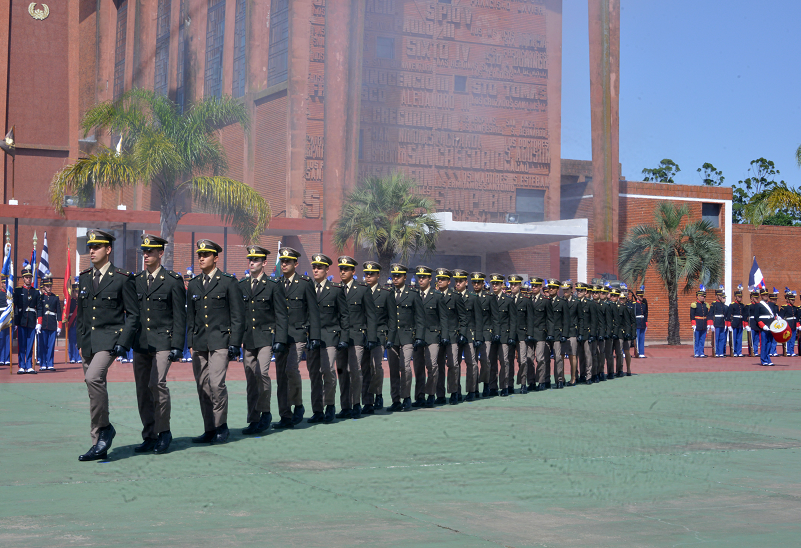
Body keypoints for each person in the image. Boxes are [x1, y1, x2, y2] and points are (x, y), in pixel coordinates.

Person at [76, 229, 139, 461]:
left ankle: (104, 430)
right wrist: (79, 341)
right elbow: (81, 313)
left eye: (97, 247)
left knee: (93, 378)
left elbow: (133, 314)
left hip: (110, 340)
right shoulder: (84, 277)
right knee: (93, 391)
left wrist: (123, 342)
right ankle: (97, 442)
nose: (91, 251)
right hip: (88, 342)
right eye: (90, 247)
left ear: (108, 249)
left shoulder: (122, 278)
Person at [131, 235, 186, 454]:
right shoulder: (135, 280)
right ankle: (149, 435)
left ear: (160, 254)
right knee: (142, 390)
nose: (146, 255)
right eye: (144, 251)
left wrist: (177, 346)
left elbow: (180, 316)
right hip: (141, 343)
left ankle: (164, 432)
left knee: (158, 385)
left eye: (150, 251)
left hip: (163, 341)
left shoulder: (172, 280)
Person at [186, 239, 244, 444]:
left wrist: (235, 343)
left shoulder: (228, 282)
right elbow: (190, 317)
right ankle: (209, 428)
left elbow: (237, 315)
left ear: (216, 258)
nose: (201, 258)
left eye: (206, 255)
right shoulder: (193, 284)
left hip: (221, 341)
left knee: (216, 384)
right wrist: (190, 342)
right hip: (200, 343)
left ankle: (221, 426)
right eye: (199, 255)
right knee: (202, 386)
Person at [239, 246, 287, 434]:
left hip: (267, 337)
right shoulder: (242, 285)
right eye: (250, 259)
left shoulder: (273, 286)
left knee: (262, 373)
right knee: (251, 378)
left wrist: (280, 339)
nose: (252, 262)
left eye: (256, 260)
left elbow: (281, 315)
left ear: (265, 263)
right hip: (248, 338)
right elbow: (238, 314)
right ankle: (253, 418)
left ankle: (265, 411)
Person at [275, 247, 321, 428]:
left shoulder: (304, 283)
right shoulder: (276, 283)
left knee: (291, 370)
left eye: (288, 261)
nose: (284, 264)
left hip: (298, 334)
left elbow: (313, 311)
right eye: (282, 261)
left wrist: (314, 335)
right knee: (280, 375)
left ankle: (298, 405)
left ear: (296, 263)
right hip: (280, 335)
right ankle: (285, 415)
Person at [307, 253, 349, 421]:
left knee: (329, 370)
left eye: (319, 267)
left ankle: (330, 405)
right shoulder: (307, 288)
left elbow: (344, 316)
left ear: (326, 269)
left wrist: (344, 337)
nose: (316, 270)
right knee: (314, 374)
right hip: (312, 337)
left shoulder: (336, 290)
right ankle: (317, 410)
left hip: (330, 336)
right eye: (314, 267)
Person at [336, 255, 377, 418]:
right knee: (341, 372)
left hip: (357, 337)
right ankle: (345, 406)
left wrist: (371, 338)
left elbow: (371, 315)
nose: (343, 271)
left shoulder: (362, 289)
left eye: (346, 269)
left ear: (353, 271)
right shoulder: (335, 289)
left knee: (355, 371)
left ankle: (356, 404)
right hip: (339, 338)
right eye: (341, 269)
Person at [361, 261, 396, 412]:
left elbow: (392, 318)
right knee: (364, 368)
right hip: (362, 336)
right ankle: (367, 401)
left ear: (378, 275)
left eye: (372, 274)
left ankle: (378, 394)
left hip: (379, 335)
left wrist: (390, 337)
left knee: (376, 367)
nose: (368, 277)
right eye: (366, 274)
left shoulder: (386, 293)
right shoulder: (360, 291)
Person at [434, 268, 467, 404]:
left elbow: (463, 318)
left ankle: (454, 392)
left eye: (442, 279)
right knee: (437, 365)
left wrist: (462, 334)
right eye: (438, 279)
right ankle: (440, 394)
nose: (440, 281)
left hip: (453, 335)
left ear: (449, 281)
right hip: (436, 336)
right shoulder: (433, 296)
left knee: (453, 365)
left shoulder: (455, 296)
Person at [412, 265, 443, 408]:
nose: (421, 280)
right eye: (419, 277)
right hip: (417, 336)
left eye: (424, 277)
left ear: (430, 279)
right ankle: (419, 396)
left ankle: (431, 394)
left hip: (432, 335)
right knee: (418, 367)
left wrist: (444, 335)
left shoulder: (437, 296)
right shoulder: (413, 295)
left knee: (432, 366)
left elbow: (443, 318)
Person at [453, 269, 483, 401]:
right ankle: (456, 391)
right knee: (455, 364)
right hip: (455, 334)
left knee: (472, 363)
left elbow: (478, 319)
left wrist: (478, 337)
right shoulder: (452, 296)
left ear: (466, 282)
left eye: (461, 281)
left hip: (470, 334)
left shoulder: (473, 298)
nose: (458, 284)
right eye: (456, 281)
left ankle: (472, 390)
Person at [487, 274, 516, 397]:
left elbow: (513, 320)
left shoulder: (508, 300)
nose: (494, 286)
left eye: (497, 284)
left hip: (504, 335)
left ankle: (504, 386)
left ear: (502, 285)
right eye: (493, 284)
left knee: (504, 361)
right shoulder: (488, 299)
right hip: (492, 335)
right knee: (491, 361)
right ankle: (493, 386)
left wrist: (511, 336)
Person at [471, 272, 496, 397]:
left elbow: (495, 317)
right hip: (471, 332)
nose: (476, 285)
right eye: (474, 282)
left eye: (478, 282)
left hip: (486, 332)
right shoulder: (468, 297)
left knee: (485, 361)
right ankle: (474, 388)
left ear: (482, 283)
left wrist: (495, 332)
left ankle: (486, 384)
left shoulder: (489, 297)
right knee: (472, 362)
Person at [508, 275, 534, 394]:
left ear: (519, 285)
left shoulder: (526, 299)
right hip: (509, 335)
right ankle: (509, 384)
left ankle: (523, 383)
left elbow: (530, 318)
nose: (512, 286)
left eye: (515, 284)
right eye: (511, 284)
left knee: (523, 360)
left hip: (522, 334)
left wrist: (529, 333)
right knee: (508, 361)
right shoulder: (506, 299)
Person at [14, 262, 38, 374]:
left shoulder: (35, 292)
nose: (28, 279)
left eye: (30, 277)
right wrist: (14, 321)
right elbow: (15, 306)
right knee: (22, 344)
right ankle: (21, 365)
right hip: (21, 320)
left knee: (30, 344)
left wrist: (39, 322)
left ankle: (29, 365)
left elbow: (40, 307)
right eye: (26, 277)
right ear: (23, 278)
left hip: (32, 320)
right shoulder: (18, 291)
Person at [35, 272, 62, 371]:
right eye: (47, 286)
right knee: (42, 344)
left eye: (50, 286)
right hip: (43, 324)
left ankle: (50, 363)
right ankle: (42, 363)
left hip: (52, 324)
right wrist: (39, 323)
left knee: (51, 345)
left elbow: (59, 312)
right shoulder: (41, 297)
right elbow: (39, 311)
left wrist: (59, 325)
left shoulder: (55, 297)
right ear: (44, 287)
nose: (49, 288)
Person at [546, 279, 568, 389]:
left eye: (553, 287)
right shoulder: (544, 300)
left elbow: (566, 320)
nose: (551, 289)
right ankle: (545, 380)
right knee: (544, 358)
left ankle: (559, 380)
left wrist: (564, 334)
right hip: (545, 334)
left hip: (557, 333)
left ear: (557, 289)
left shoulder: (562, 302)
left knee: (558, 358)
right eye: (549, 287)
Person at [576, 283, 597, 384]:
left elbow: (594, 320)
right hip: (576, 333)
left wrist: (592, 334)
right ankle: (582, 374)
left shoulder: (590, 303)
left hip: (586, 333)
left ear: (585, 292)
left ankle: (589, 376)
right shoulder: (575, 302)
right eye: (578, 290)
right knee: (580, 356)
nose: (579, 292)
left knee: (588, 355)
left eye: (581, 290)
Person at [755, 287, 778, 366]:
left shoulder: (771, 304)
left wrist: (777, 318)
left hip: (771, 326)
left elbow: (774, 314)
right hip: (764, 327)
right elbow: (756, 317)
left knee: (769, 343)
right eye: (764, 295)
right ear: (761, 296)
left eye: (766, 295)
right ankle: (763, 360)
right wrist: (763, 326)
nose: (765, 296)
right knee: (764, 343)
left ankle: (768, 359)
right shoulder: (758, 305)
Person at [690, 285, 710, 358]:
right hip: (697, 323)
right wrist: (693, 324)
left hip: (704, 324)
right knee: (697, 339)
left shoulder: (706, 305)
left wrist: (708, 324)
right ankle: (696, 352)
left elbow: (707, 315)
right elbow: (692, 316)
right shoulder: (694, 305)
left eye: (704, 296)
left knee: (702, 339)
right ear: (697, 296)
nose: (703, 297)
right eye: (702, 296)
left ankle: (701, 352)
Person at [709, 285, 728, 357]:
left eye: (721, 296)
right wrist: (710, 324)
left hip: (722, 322)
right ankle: (716, 352)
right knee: (716, 338)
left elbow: (725, 315)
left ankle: (721, 352)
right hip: (716, 322)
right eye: (719, 296)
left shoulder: (723, 305)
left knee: (722, 338)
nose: (721, 297)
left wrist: (726, 323)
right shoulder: (714, 304)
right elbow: (710, 314)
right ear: (716, 296)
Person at [727, 285, 746, 357]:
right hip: (734, 322)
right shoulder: (732, 305)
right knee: (734, 338)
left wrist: (744, 324)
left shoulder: (742, 305)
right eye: (739, 297)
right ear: (735, 297)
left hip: (740, 323)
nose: (740, 298)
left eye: (741, 297)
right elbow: (729, 315)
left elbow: (743, 315)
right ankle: (734, 351)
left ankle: (739, 351)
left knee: (739, 338)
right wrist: (729, 325)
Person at [780, 288, 798, 357]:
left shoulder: (795, 308)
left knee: (793, 339)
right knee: (787, 338)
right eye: (792, 300)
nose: (793, 301)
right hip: (787, 324)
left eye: (794, 300)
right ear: (789, 300)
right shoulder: (785, 307)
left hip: (793, 324)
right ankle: (787, 351)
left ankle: (792, 351)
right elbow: (781, 316)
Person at [66, 278, 80, 363]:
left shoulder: (82, 301)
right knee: (72, 341)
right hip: (72, 323)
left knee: (79, 341)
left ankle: (78, 357)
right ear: (73, 292)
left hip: (80, 323)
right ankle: (72, 357)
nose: (78, 293)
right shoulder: (70, 301)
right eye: (77, 291)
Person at [634, 285, 648, 358]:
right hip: (637, 322)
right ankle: (638, 352)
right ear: (637, 296)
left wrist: (646, 323)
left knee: (642, 338)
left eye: (642, 296)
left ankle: (642, 352)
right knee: (637, 339)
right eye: (640, 296)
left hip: (642, 323)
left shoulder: (643, 304)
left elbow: (645, 314)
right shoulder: (635, 305)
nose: (642, 297)